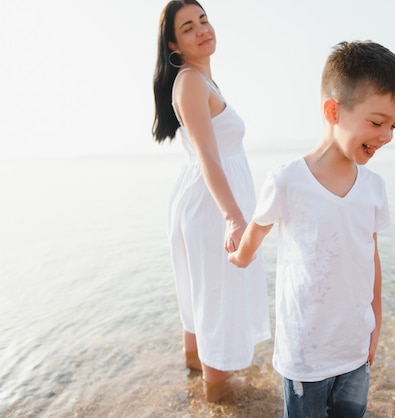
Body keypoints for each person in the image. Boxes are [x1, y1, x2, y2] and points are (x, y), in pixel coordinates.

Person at [228, 40, 395, 417]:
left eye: (394, 125)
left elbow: (370, 257)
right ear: (333, 111)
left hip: (354, 349)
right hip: (305, 354)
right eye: (377, 122)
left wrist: (375, 322)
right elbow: (257, 230)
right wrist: (238, 255)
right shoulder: (288, 181)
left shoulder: (374, 187)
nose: (387, 136)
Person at [152, 0, 270, 402]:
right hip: (212, 207)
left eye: (203, 20)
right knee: (216, 301)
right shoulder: (188, 82)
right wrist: (234, 217)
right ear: (175, 44)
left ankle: (195, 385)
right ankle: (218, 400)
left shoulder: (202, 82)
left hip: (207, 201)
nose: (202, 29)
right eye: (188, 27)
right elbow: (207, 156)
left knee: (201, 297)